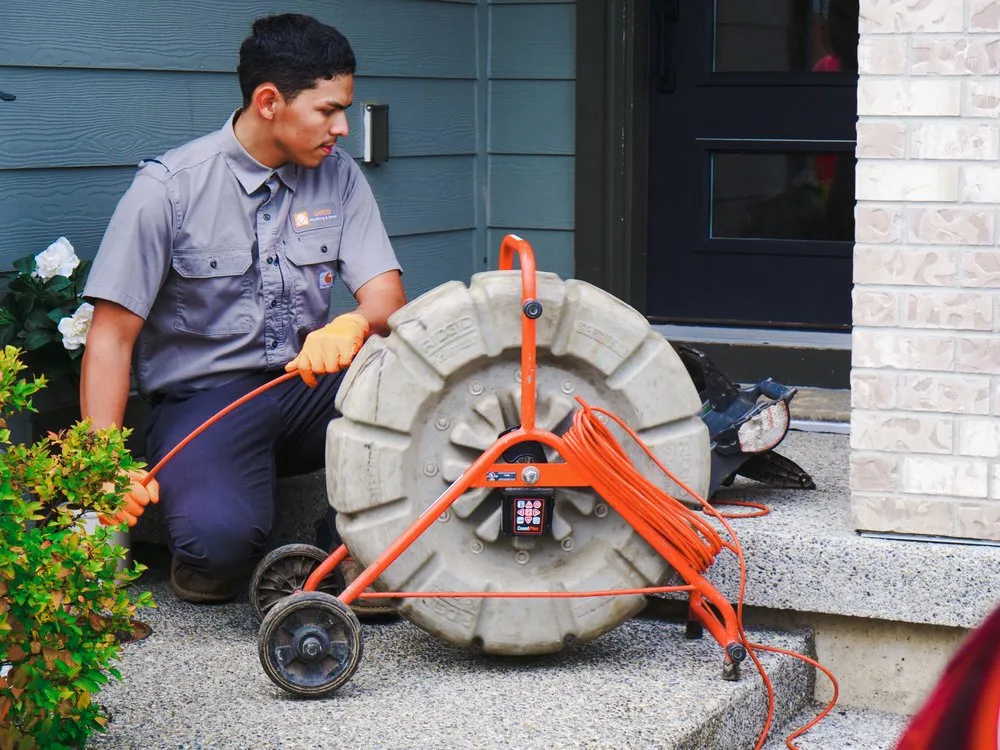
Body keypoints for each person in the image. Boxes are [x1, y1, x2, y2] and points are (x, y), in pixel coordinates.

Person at [80, 13, 407, 609]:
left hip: (309, 384)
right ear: (269, 102)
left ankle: (349, 553)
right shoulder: (169, 190)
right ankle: (205, 548)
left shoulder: (339, 177)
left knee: (409, 381)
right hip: (209, 401)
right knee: (217, 543)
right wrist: (103, 470)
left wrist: (352, 321)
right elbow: (110, 337)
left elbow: (386, 295)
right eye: (328, 110)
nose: (341, 128)